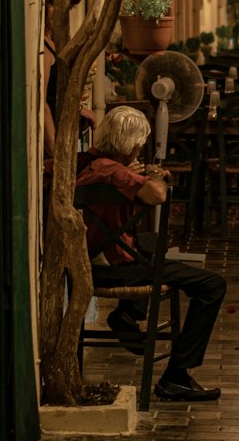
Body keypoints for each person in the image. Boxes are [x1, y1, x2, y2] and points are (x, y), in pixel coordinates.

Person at [76, 106, 226, 402]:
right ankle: (176, 376)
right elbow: (157, 195)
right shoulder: (115, 172)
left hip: (89, 256)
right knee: (212, 286)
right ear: (133, 146)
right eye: (139, 145)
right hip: (114, 266)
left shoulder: (89, 162)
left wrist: (128, 174)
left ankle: (128, 313)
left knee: (153, 240)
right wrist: (155, 175)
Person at [44, 0, 96, 157]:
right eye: (55, 6)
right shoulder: (43, 48)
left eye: (67, 8)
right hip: (52, 142)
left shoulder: (55, 41)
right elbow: (43, 104)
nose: (61, 14)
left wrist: (79, 109)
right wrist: (55, 153)